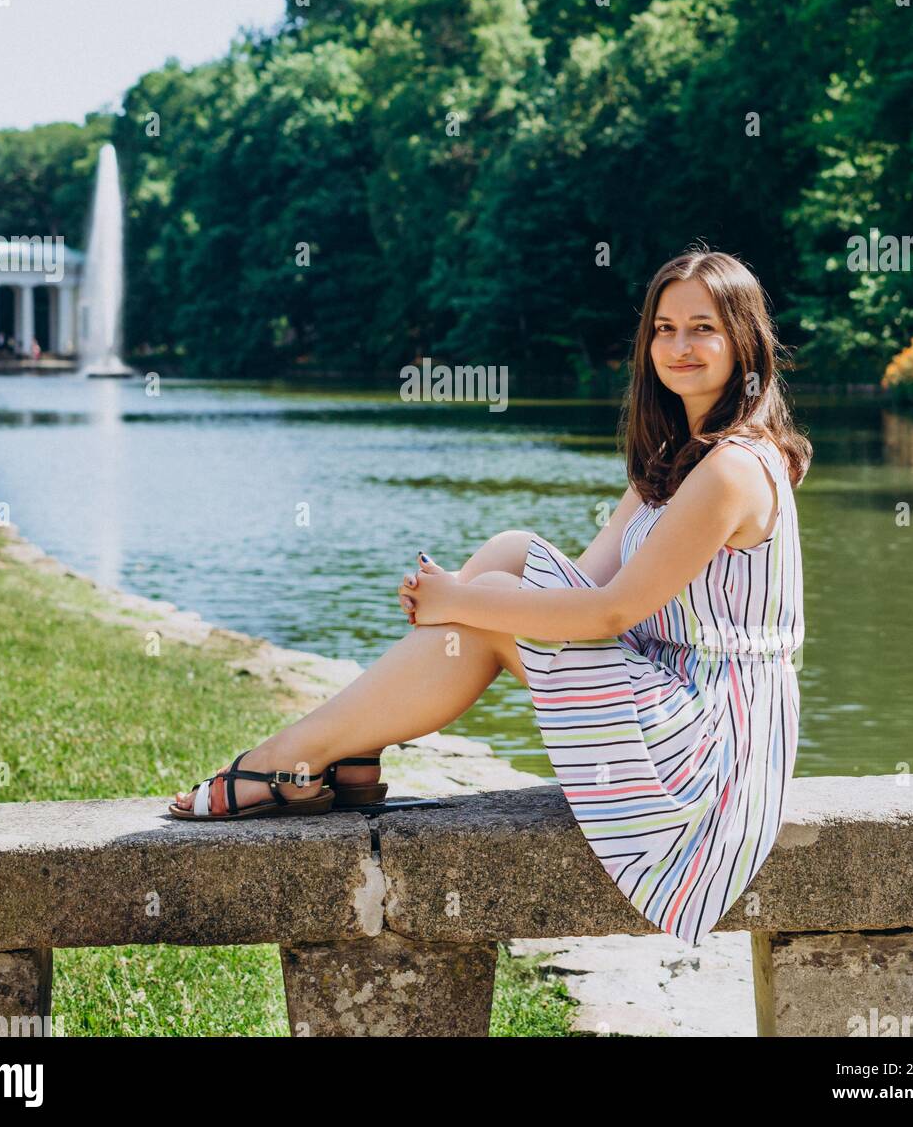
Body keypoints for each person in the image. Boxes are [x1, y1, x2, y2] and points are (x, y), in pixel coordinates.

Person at [169, 248, 810, 947]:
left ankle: (299, 754)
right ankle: (339, 748)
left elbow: (610, 612)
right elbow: (586, 583)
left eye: (701, 329)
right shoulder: (674, 461)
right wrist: (461, 601)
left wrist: (458, 604)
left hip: (708, 754)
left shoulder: (732, 468)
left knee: (490, 599)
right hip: (670, 703)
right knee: (512, 551)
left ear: (743, 341)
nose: (677, 347)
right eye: (662, 328)